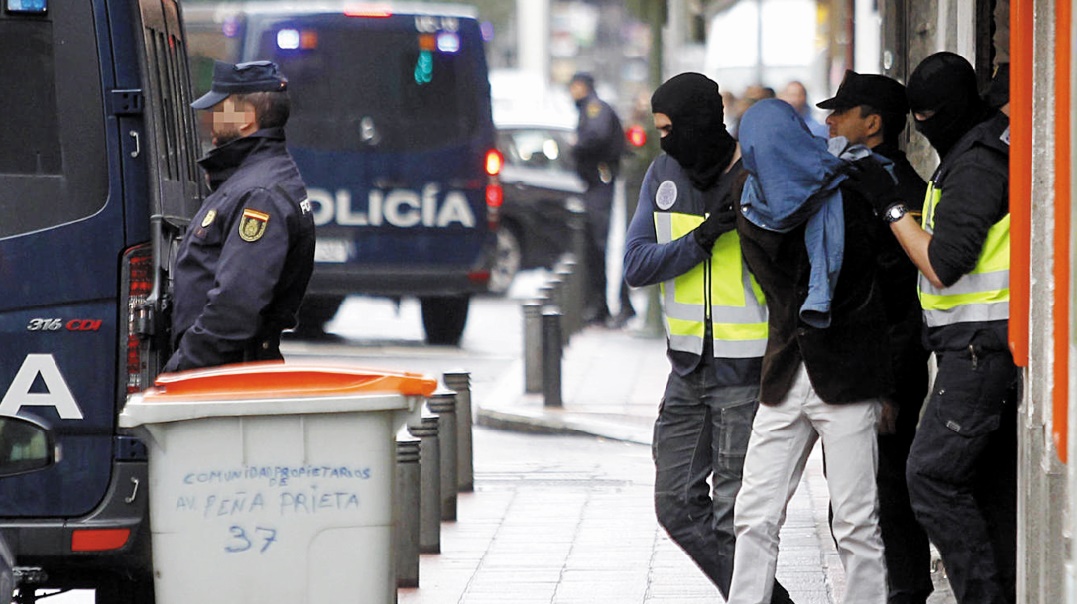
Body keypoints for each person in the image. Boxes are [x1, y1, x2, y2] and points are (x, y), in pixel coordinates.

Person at [848, 51, 1018, 604]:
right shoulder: (974, 152)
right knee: (987, 487)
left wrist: (895, 210)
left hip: (979, 350)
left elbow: (943, 264)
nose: (922, 125)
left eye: (927, 115)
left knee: (930, 477)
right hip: (973, 347)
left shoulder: (977, 164)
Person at [623, 73, 792, 604]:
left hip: (745, 374)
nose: (664, 140)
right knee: (675, 504)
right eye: (659, 130)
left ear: (700, 121)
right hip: (686, 370)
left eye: (670, 128)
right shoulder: (662, 174)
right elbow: (635, 263)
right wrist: (699, 239)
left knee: (733, 518)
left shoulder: (755, 172)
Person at [727, 99, 891, 604]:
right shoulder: (748, 198)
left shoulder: (851, 190)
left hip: (847, 377)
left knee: (855, 521)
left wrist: (887, 384)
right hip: (784, 376)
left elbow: (878, 287)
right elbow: (777, 287)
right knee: (754, 513)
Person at [816, 70, 934, 604]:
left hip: (886, 365)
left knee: (885, 493)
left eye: (842, 111)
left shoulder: (895, 191)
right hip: (858, 364)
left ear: (873, 123)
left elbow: (899, 302)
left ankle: (906, 589)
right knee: (858, 495)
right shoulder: (856, 179)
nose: (830, 120)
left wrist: (887, 386)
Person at [163, 60, 315, 372]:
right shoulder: (251, 180)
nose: (211, 118)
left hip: (224, 375)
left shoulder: (259, 194)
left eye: (221, 108)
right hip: (225, 369)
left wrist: (180, 371)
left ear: (246, 118)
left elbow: (234, 308)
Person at [567, 72, 636, 328]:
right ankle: (601, 305)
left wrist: (576, 144)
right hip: (598, 183)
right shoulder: (590, 108)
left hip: (602, 182)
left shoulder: (595, 108)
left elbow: (596, 136)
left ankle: (605, 305)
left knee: (600, 244)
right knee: (596, 245)